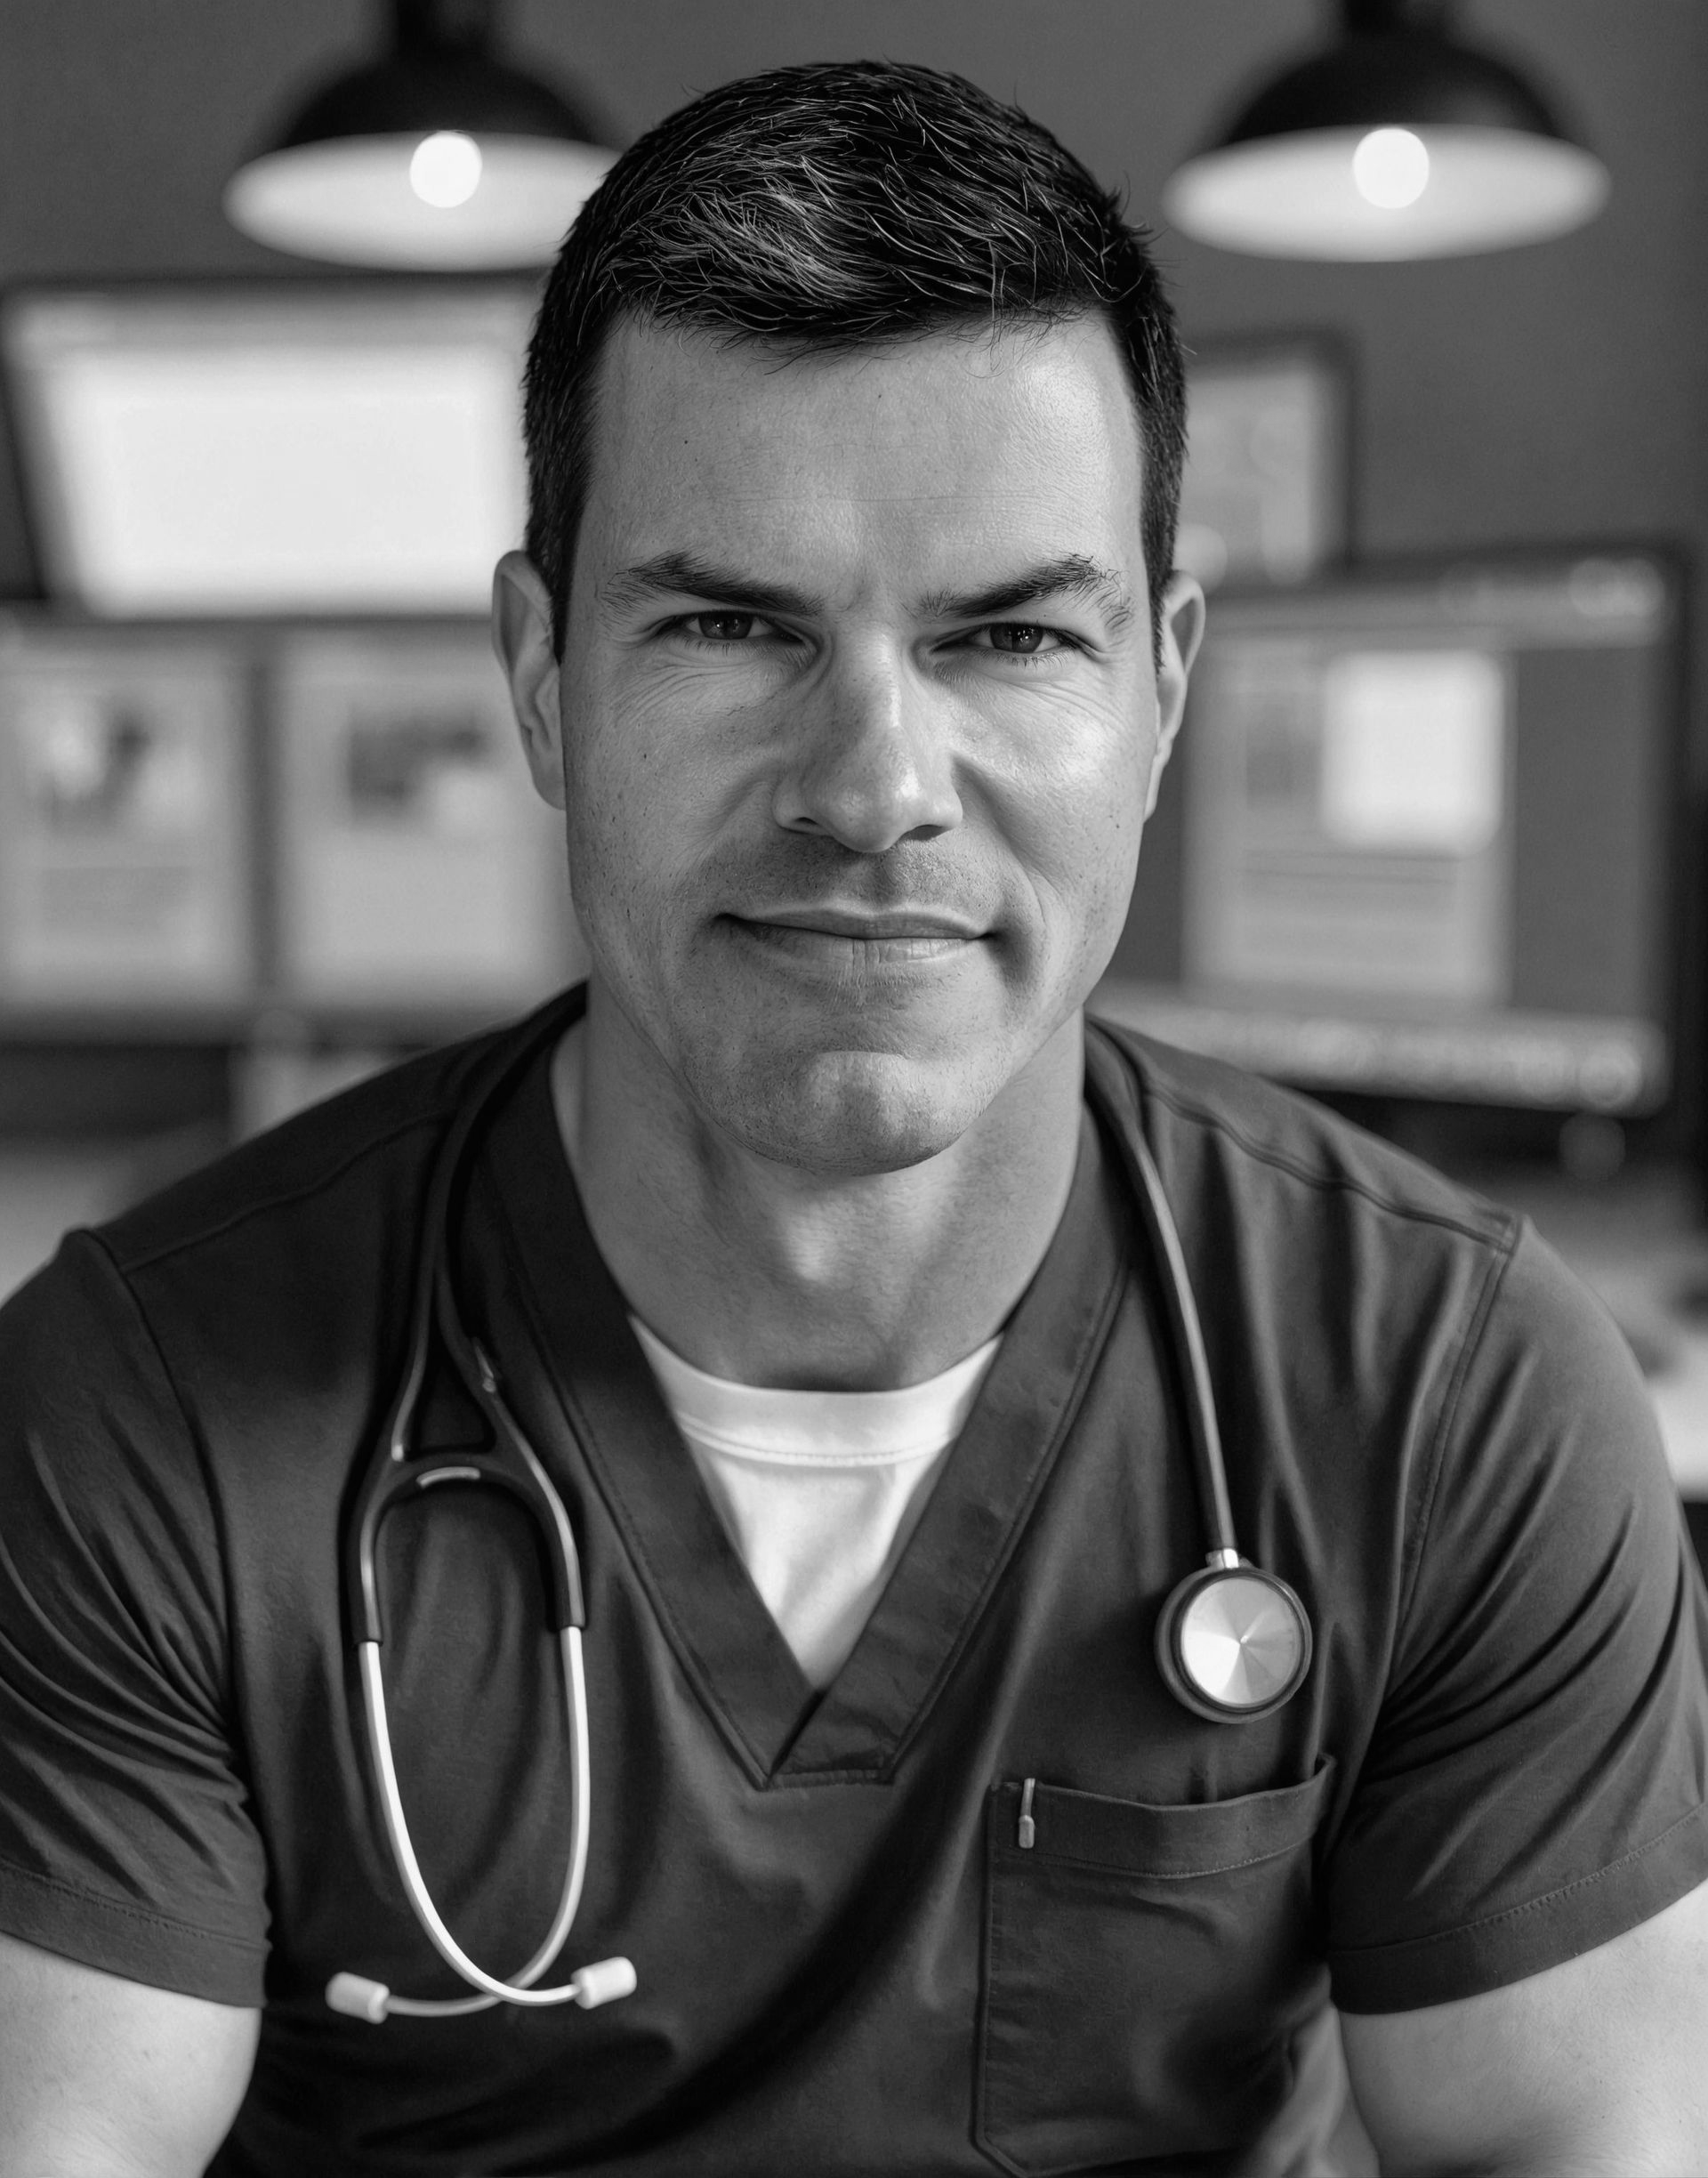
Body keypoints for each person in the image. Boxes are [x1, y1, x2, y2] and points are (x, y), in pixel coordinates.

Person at [1, 56, 1705, 2178]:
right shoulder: (135, 1414)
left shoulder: (1452, 1395)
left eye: (1008, 634)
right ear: (542, 682)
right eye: (729, 625)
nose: (871, 784)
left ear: (1163, 692)